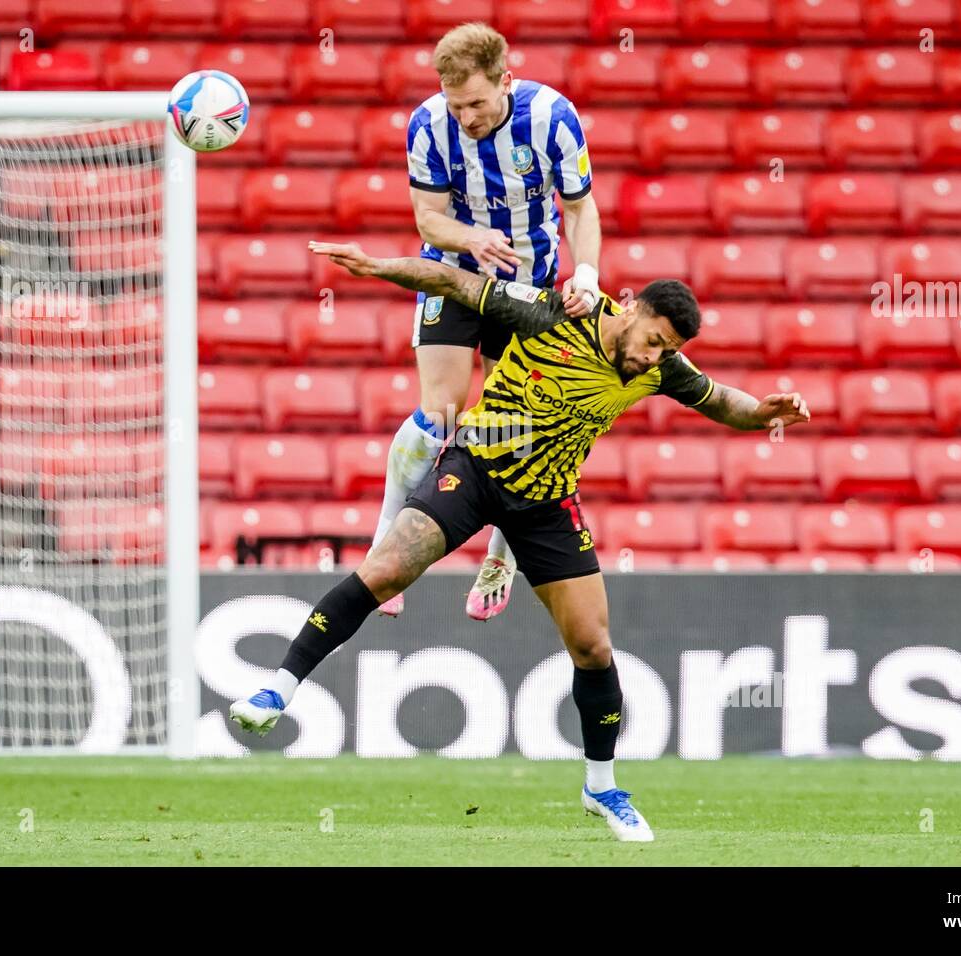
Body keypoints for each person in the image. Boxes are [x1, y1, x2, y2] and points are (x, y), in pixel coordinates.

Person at [230, 241, 811, 843]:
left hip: (547, 504)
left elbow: (721, 401)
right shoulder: (557, 313)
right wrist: (378, 266)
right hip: (476, 467)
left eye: (668, 350)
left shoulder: (661, 370)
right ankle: (279, 688)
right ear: (630, 306)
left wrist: (765, 411)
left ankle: (602, 786)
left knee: (592, 645)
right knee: (387, 572)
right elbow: (452, 282)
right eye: (654, 340)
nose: (654, 357)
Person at [376, 21, 603, 622]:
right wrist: (472, 238)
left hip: (528, 285)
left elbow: (580, 208)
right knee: (439, 415)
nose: (466, 116)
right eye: (457, 105)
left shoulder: (553, 117)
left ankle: (500, 558)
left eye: (476, 102)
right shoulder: (428, 124)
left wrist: (587, 275)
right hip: (454, 276)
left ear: (507, 80)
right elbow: (427, 219)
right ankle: (386, 548)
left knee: (511, 428)